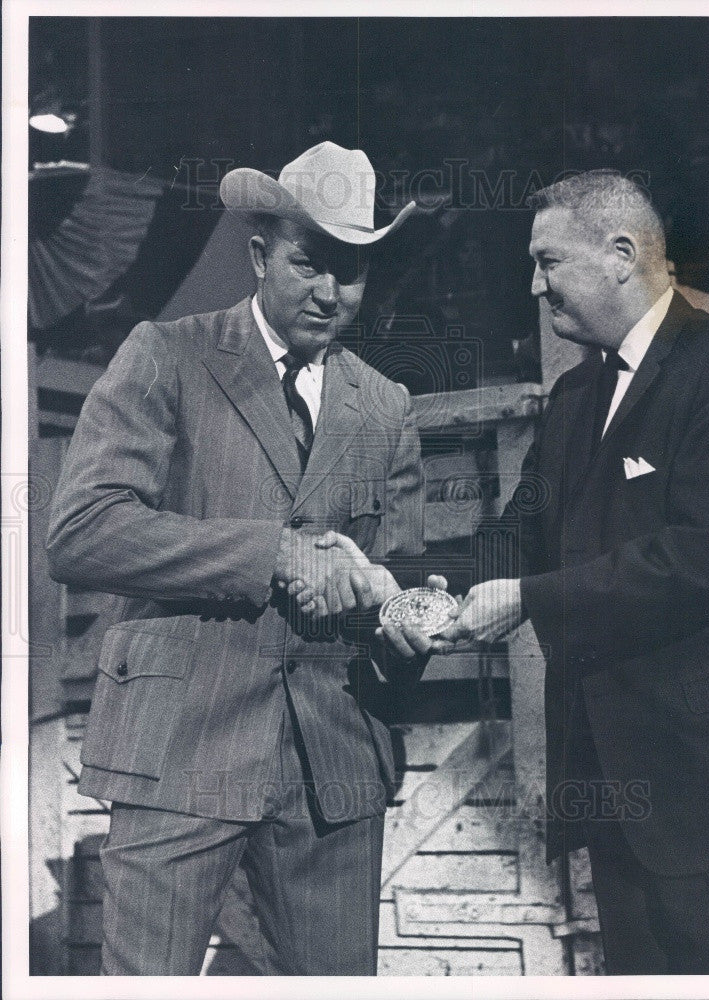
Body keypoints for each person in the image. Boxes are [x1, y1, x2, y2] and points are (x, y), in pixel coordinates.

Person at [317, 170, 709, 974]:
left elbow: (701, 559)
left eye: (547, 262)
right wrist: (393, 588)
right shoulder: (575, 395)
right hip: (613, 794)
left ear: (619, 254)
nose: (533, 287)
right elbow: (513, 541)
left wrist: (527, 601)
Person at [45, 141, 440, 976]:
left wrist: (404, 623)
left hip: (332, 769)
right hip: (178, 752)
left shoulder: (385, 406)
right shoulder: (168, 355)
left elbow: (390, 572)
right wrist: (275, 553)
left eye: (353, 274)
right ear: (260, 255)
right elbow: (82, 530)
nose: (330, 294)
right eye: (308, 265)